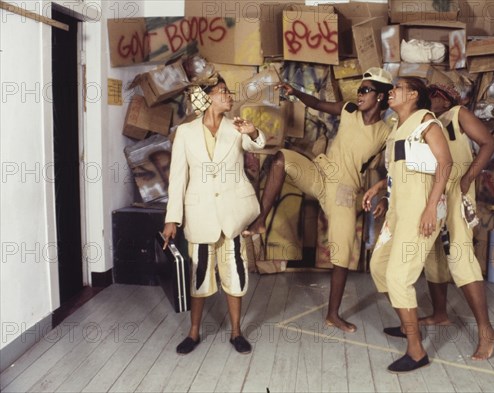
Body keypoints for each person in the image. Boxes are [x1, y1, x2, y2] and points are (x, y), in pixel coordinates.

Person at [244, 67, 393, 333]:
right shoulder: (349, 110)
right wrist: (295, 92)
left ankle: (333, 315)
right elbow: (317, 103)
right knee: (280, 159)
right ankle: (260, 222)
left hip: (344, 192)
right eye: (359, 90)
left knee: (341, 255)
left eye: (366, 90)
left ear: (380, 97)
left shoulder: (386, 132)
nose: (359, 94)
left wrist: (383, 195)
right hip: (321, 172)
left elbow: (391, 166)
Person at [162, 75, 266, 355]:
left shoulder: (236, 128)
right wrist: (172, 219)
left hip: (231, 215)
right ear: (206, 97)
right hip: (200, 215)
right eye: (222, 91)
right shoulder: (185, 133)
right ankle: (193, 333)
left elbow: (258, 146)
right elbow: (178, 178)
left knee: (235, 274)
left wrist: (253, 132)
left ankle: (236, 333)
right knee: (199, 277)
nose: (229, 96)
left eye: (228, 91)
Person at [367, 77, 452, 373]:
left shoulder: (425, 119)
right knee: (379, 266)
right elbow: (402, 170)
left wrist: (431, 208)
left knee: (399, 277)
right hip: (399, 210)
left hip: (420, 209)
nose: (391, 92)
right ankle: (408, 324)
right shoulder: (396, 129)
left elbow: (445, 163)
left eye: (398, 88)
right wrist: (381, 191)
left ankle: (416, 352)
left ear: (414, 95)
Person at [418, 84, 494, 360]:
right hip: (434, 198)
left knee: (461, 258)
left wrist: (468, 178)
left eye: (431, 96)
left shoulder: (457, 114)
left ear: (443, 97)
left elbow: (489, 143)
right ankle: (440, 314)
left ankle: (486, 331)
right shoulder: (425, 122)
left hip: (457, 195)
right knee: (434, 257)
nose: (428, 101)